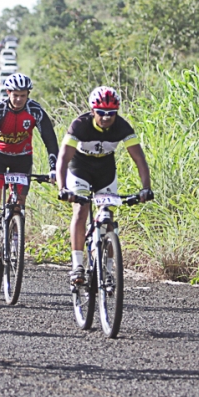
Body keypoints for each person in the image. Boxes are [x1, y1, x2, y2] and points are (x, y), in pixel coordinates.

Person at [56, 86, 153, 285]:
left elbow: (139, 159)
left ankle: (108, 271)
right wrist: (62, 188)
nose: (106, 117)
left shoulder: (122, 127)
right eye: (101, 112)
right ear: (93, 111)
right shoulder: (80, 125)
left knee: (108, 218)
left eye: (111, 113)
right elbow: (63, 159)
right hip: (80, 168)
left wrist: (146, 188)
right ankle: (77, 265)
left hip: (105, 170)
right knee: (81, 209)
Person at [0, 73, 58, 264]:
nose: (19, 99)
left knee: (19, 204)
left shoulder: (35, 111)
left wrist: (54, 168)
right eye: (15, 95)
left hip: (22, 158)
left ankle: (15, 246)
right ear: (8, 92)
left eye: (23, 95)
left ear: (28, 95)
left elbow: (50, 140)